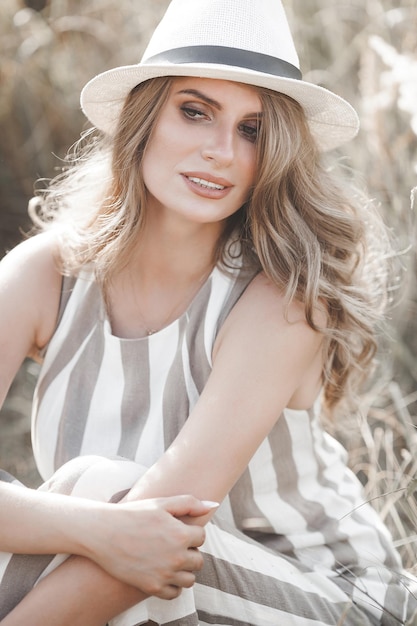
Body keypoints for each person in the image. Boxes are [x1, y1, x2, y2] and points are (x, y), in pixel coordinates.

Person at [0, 0, 416, 623]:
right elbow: (128, 542)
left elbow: (168, 534)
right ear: (144, 121)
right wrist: (89, 528)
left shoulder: (283, 296)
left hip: (326, 593)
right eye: (194, 112)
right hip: (155, 571)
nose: (221, 150)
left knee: (101, 492)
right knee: (90, 511)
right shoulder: (43, 276)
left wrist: (86, 521)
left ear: (274, 153)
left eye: (252, 130)